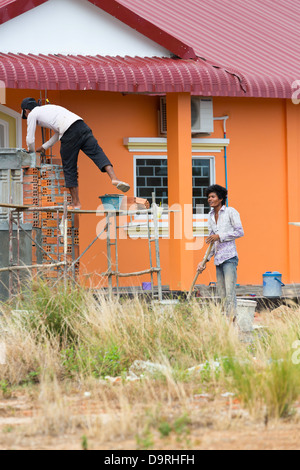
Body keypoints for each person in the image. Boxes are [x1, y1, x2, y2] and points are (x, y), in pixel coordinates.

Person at [21, 98, 130, 209]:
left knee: (69, 167)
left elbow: (30, 139)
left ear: (26, 110)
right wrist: (44, 147)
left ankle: (76, 203)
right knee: (97, 153)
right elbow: (58, 132)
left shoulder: (32, 114)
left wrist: (32, 151)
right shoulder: (50, 108)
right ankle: (114, 178)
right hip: (82, 126)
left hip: (69, 134)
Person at [197, 184, 244, 319]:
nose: (209, 199)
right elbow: (212, 242)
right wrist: (204, 261)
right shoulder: (210, 216)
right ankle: (225, 322)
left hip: (229, 258)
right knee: (222, 294)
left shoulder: (231, 212)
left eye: (212, 196)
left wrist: (220, 236)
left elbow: (240, 232)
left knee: (230, 292)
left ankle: (233, 321)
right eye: (208, 197)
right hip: (218, 259)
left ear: (221, 198)